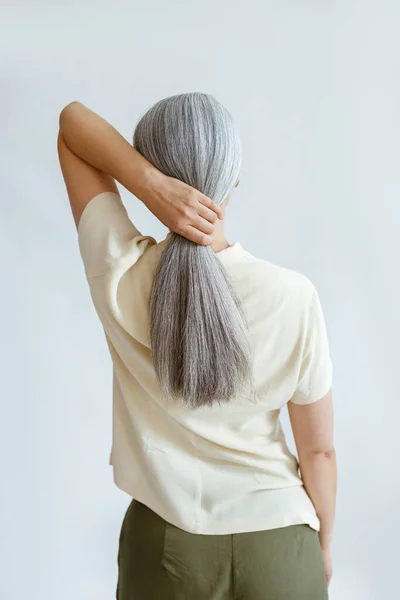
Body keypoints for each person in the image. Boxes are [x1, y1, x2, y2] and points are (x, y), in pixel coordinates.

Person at [57, 92, 336, 600]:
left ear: (155, 172)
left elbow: (72, 126)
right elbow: (318, 450)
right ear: (235, 177)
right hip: (279, 543)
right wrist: (323, 544)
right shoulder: (294, 296)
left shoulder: (118, 274)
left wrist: (147, 185)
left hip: (163, 545)